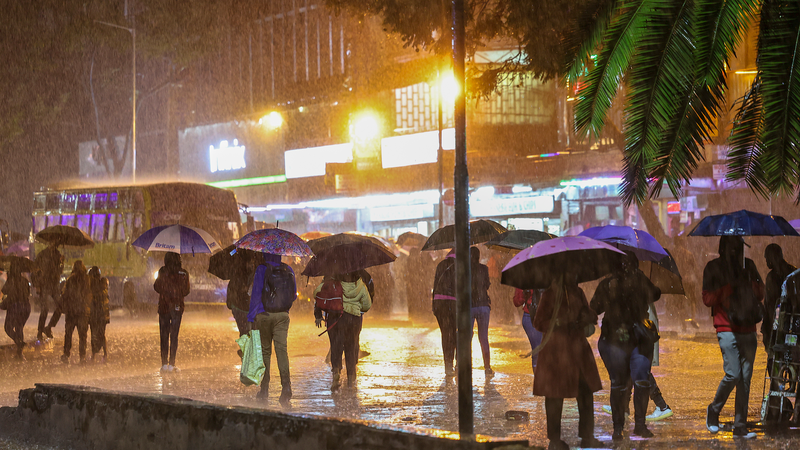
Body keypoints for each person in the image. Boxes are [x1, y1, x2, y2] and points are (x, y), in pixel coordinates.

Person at [591, 252, 660, 441]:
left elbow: (594, 307)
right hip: (620, 340)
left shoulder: (613, 283)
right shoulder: (612, 284)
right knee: (629, 383)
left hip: (631, 339)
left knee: (625, 383)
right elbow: (655, 293)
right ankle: (628, 426)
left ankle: (624, 427)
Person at [534, 272, 604, 450]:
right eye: (571, 272)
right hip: (556, 354)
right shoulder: (550, 294)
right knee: (554, 396)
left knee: (585, 393)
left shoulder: (578, 292)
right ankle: (554, 440)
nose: (575, 276)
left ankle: (587, 436)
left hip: (578, 352)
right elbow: (539, 322)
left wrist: (586, 316)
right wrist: (559, 322)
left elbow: (590, 315)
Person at [703, 236, 764, 439]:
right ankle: (714, 410)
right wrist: (730, 287)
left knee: (745, 380)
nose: (735, 251)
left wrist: (748, 282)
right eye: (731, 247)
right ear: (722, 248)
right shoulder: (713, 267)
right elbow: (707, 299)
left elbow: (760, 293)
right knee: (733, 374)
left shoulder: (749, 266)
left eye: (738, 247)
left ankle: (740, 426)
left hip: (748, 328)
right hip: (726, 328)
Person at [248, 253, 296, 406]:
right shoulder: (288, 269)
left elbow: (256, 294)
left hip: (264, 315)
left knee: (265, 352)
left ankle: (264, 389)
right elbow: (293, 295)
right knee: (282, 351)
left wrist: (251, 317)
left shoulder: (261, 269)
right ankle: (286, 386)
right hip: (282, 315)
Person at [314, 270, 372, 391]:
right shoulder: (359, 283)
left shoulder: (332, 278)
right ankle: (351, 378)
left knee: (336, 346)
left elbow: (317, 293)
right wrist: (356, 307)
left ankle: (336, 372)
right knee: (351, 347)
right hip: (353, 319)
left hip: (335, 317)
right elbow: (367, 305)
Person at [154, 252, 190, 372]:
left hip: (164, 307)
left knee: (164, 335)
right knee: (174, 336)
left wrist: (166, 292)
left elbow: (156, 287)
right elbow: (186, 291)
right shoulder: (184, 273)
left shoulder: (162, 271)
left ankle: (164, 364)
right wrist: (177, 294)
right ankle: (172, 364)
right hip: (177, 307)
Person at [762, 244, 796, 351]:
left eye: (767, 258)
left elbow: (770, 303)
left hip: (778, 323)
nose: (766, 261)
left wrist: (771, 324)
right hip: (791, 322)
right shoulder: (793, 272)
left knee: (775, 352)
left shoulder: (772, 277)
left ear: (772, 257)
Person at [431, 249, 457, 375]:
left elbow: (435, 285)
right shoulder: (460, 265)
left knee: (445, 334)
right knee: (455, 333)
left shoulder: (440, 264)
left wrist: (434, 304)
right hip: (453, 302)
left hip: (439, 303)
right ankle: (457, 361)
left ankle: (448, 365)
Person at [61, 260, 91, 364]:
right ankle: (82, 356)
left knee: (68, 334)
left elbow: (65, 294)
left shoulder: (70, 279)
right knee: (82, 335)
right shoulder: (87, 279)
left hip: (72, 311)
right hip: (82, 311)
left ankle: (66, 354)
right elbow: (89, 294)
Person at [470, 247, 493, 375]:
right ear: (478, 256)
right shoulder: (484, 269)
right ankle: (487, 367)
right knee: (483, 337)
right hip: (483, 305)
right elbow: (487, 285)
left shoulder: (465, 269)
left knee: (467, 337)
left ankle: (465, 365)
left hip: (469, 306)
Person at [2, 261, 31, 360]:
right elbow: (27, 293)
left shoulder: (11, 280)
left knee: (8, 327)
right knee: (19, 328)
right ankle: (20, 353)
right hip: (26, 307)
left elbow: (4, 291)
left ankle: (19, 343)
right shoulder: (24, 281)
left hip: (15, 307)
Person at [35, 244, 63, 340]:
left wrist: (61, 263)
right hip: (44, 284)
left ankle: (49, 327)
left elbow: (59, 271)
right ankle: (40, 331)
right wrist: (37, 285)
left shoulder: (58, 254)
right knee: (45, 309)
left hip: (54, 285)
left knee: (60, 307)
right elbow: (35, 270)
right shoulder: (42, 254)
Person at [513, 288, 543, 377]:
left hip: (538, 317)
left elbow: (517, 301)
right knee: (538, 351)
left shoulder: (525, 280)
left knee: (540, 351)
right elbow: (517, 302)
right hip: (532, 317)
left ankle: (542, 380)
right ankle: (539, 380)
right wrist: (524, 295)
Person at [228, 250, 255, 337]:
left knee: (245, 331)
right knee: (251, 332)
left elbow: (231, 288)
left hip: (240, 306)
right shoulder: (242, 273)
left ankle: (246, 344)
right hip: (242, 307)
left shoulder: (236, 270)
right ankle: (248, 344)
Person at [88, 266, 110, 363]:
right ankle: (104, 354)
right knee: (101, 334)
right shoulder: (103, 285)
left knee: (94, 334)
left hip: (96, 315)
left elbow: (94, 300)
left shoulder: (94, 286)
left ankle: (94, 354)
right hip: (103, 315)